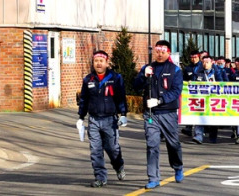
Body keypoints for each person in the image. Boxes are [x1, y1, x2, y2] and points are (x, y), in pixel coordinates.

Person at [133, 40, 184, 190]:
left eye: (163, 51)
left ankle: (177, 166)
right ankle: (153, 177)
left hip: (168, 112)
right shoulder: (148, 68)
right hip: (151, 114)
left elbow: (176, 91)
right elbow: (136, 87)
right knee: (152, 145)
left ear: (168, 52)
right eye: (158, 51)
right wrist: (143, 75)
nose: (160, 54)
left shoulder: (175, 70)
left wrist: (160, 101)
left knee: (173, 144)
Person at [77, 50, 127, 188]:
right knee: (95, 150)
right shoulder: (88, 80)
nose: (98, 64)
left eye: (101, 61)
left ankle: (119, 166)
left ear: (107, 62)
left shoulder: (115, 78)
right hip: (93, 120)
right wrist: (81, 117)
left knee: (112, 148)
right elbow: (84, 99)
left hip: (110, 120)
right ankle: (100, 177)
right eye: (96, 61)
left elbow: (120, 97)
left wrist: (123, 114)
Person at [191, 55, 226, 144]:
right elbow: (193, 84)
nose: (205, 64)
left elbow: (222, 83)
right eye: (203, 62)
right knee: (199, 117)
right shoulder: (198, 73)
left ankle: (213, 137)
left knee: (213, 119)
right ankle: (198, 136)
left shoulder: (216, 72)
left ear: (212, 63)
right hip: (202, 98)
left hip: (214, 99)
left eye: (207, 62)